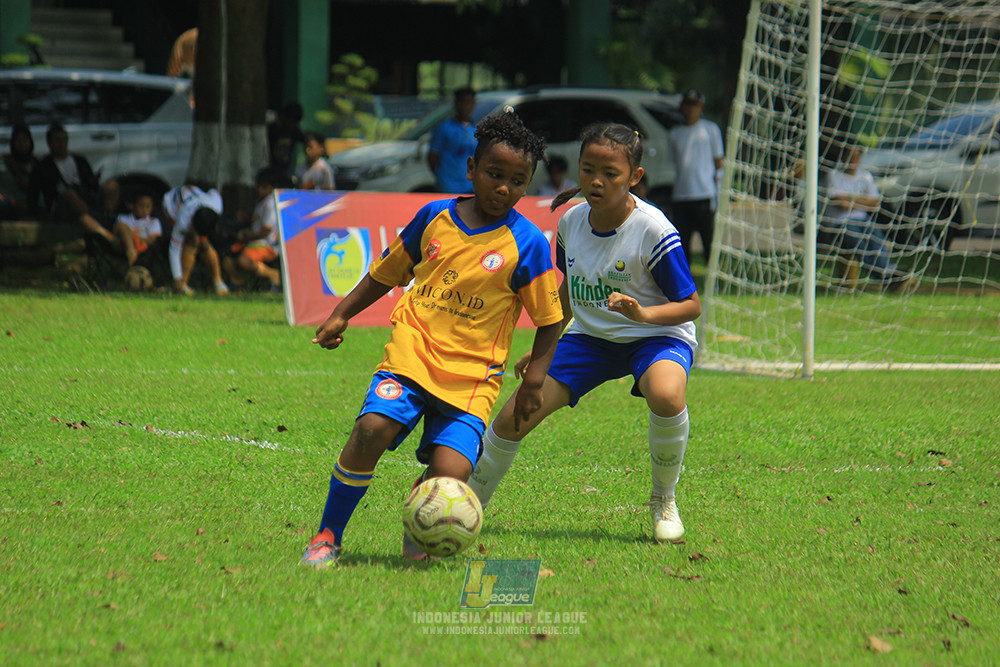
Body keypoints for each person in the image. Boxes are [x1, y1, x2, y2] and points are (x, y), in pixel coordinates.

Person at [300, 110, 564, 568]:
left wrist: (535, 381)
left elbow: (549, 318)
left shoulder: (528, 243)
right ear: (471, 170)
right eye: (494, 174)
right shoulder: (434, 217)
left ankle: (419, 524)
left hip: (472, 379)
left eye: (518, 181)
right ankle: (328, 534)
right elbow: (385, 274)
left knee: (453, 472)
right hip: (411, 356)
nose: (504, 187)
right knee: (370, 430)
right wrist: (341, 314)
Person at [468, 122, 702, 545]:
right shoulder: (570, 223)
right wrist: (546, 347)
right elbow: (568, 292)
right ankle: (466, 506)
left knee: (666, 394)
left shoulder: (654, 229)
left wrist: (642, 315)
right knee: (513, 417)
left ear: (634, 177)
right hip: (590, 339)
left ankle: (663, 499)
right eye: (588, 168)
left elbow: (691, 306)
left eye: (610, 173)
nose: (596, 180)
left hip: (655, 335)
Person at [822, 145, 912, 291]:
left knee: (876, 240)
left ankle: (889, 271)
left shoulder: (865, 176)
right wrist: (861, 199)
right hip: (840, 224)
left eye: (856, 156)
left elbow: (874, 203)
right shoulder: (833, 176)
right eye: (850, 156)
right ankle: (885, 276)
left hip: (863, 220)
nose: (853, 160)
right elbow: (840, 204)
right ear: (844, 157)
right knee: (861, 245)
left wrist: (850, 200)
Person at [27, 122, 120, 242]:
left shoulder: (79, 160)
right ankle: (98, 220)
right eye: (58, 140)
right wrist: (37, 214)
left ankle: (108, 217)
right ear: (50, 143)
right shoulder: (43, 166)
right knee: (70, 194)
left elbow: (90, 185)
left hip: (86, 196)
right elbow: (33, 194)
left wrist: (93, 181)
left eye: (64, 140)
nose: (62, 144)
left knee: (112, 186)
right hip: (62, 203)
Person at [668, 88, 724, 265]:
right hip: (681, 195)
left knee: (708, 238)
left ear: (701, 107)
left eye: (695, 105)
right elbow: (673, 164)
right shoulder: (674, 133)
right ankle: (686, 281)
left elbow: (718, 161)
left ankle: (713, 276)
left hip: (704, 193)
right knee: (682, 241)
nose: (691, 109)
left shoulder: (710, 129)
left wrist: (718, 189)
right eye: (688, 104)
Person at [162, 182, 228, 295]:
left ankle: (218, 281)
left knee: (204, 243)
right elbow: (174, 249)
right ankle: (182, 284)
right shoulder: (183, 221)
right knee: (192, 241)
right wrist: (177, 277)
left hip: (193, 194)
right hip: (171, 205)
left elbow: (213, 191)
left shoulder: (216, 204)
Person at [223, 168, 282, 292]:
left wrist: (245, 238)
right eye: (258, 185)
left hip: (268, 244)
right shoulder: (262, 201)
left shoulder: (271, 202)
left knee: (243, 260)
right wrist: (248, 218)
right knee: (227, 254)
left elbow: (265, 232)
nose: (259, 189)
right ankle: (238, 282)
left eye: (264, 186)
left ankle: (272, 274)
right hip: (255, 241)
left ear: (272, 187)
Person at [427, 88, 477, 194]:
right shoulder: (444, 128)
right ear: (456, 104)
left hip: (469, 186)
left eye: (469, 102)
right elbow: (433, 156)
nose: (466, 106)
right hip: (448, 187)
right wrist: (442, 177)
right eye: (463, 102)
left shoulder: (475, 129)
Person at [113, 191, 163, 267]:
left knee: (126, 232)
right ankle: (131, 252)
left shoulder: (153, 222)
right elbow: (116, 231)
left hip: (141, 246)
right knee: (121, 226)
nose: (144, 209)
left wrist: (133, 236)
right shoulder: (123, 218)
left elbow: (151, 240)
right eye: (141, 206)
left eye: (147, 206)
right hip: (121, 244)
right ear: (132, 206)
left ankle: (131, 252)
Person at [3, 124, 38, 212]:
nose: (22, 144)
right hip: (8, 208)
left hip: (34, 208)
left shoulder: (38, 165)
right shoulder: (4, 163)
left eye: (25, 140)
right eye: (18, 140)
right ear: (13, 143)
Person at [268, 102, 306, 181]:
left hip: (284, 169)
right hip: (271, 167)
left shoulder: (294, 131)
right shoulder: (273, 129)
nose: (292, 125)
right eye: (291, 122)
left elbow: (306, 139)